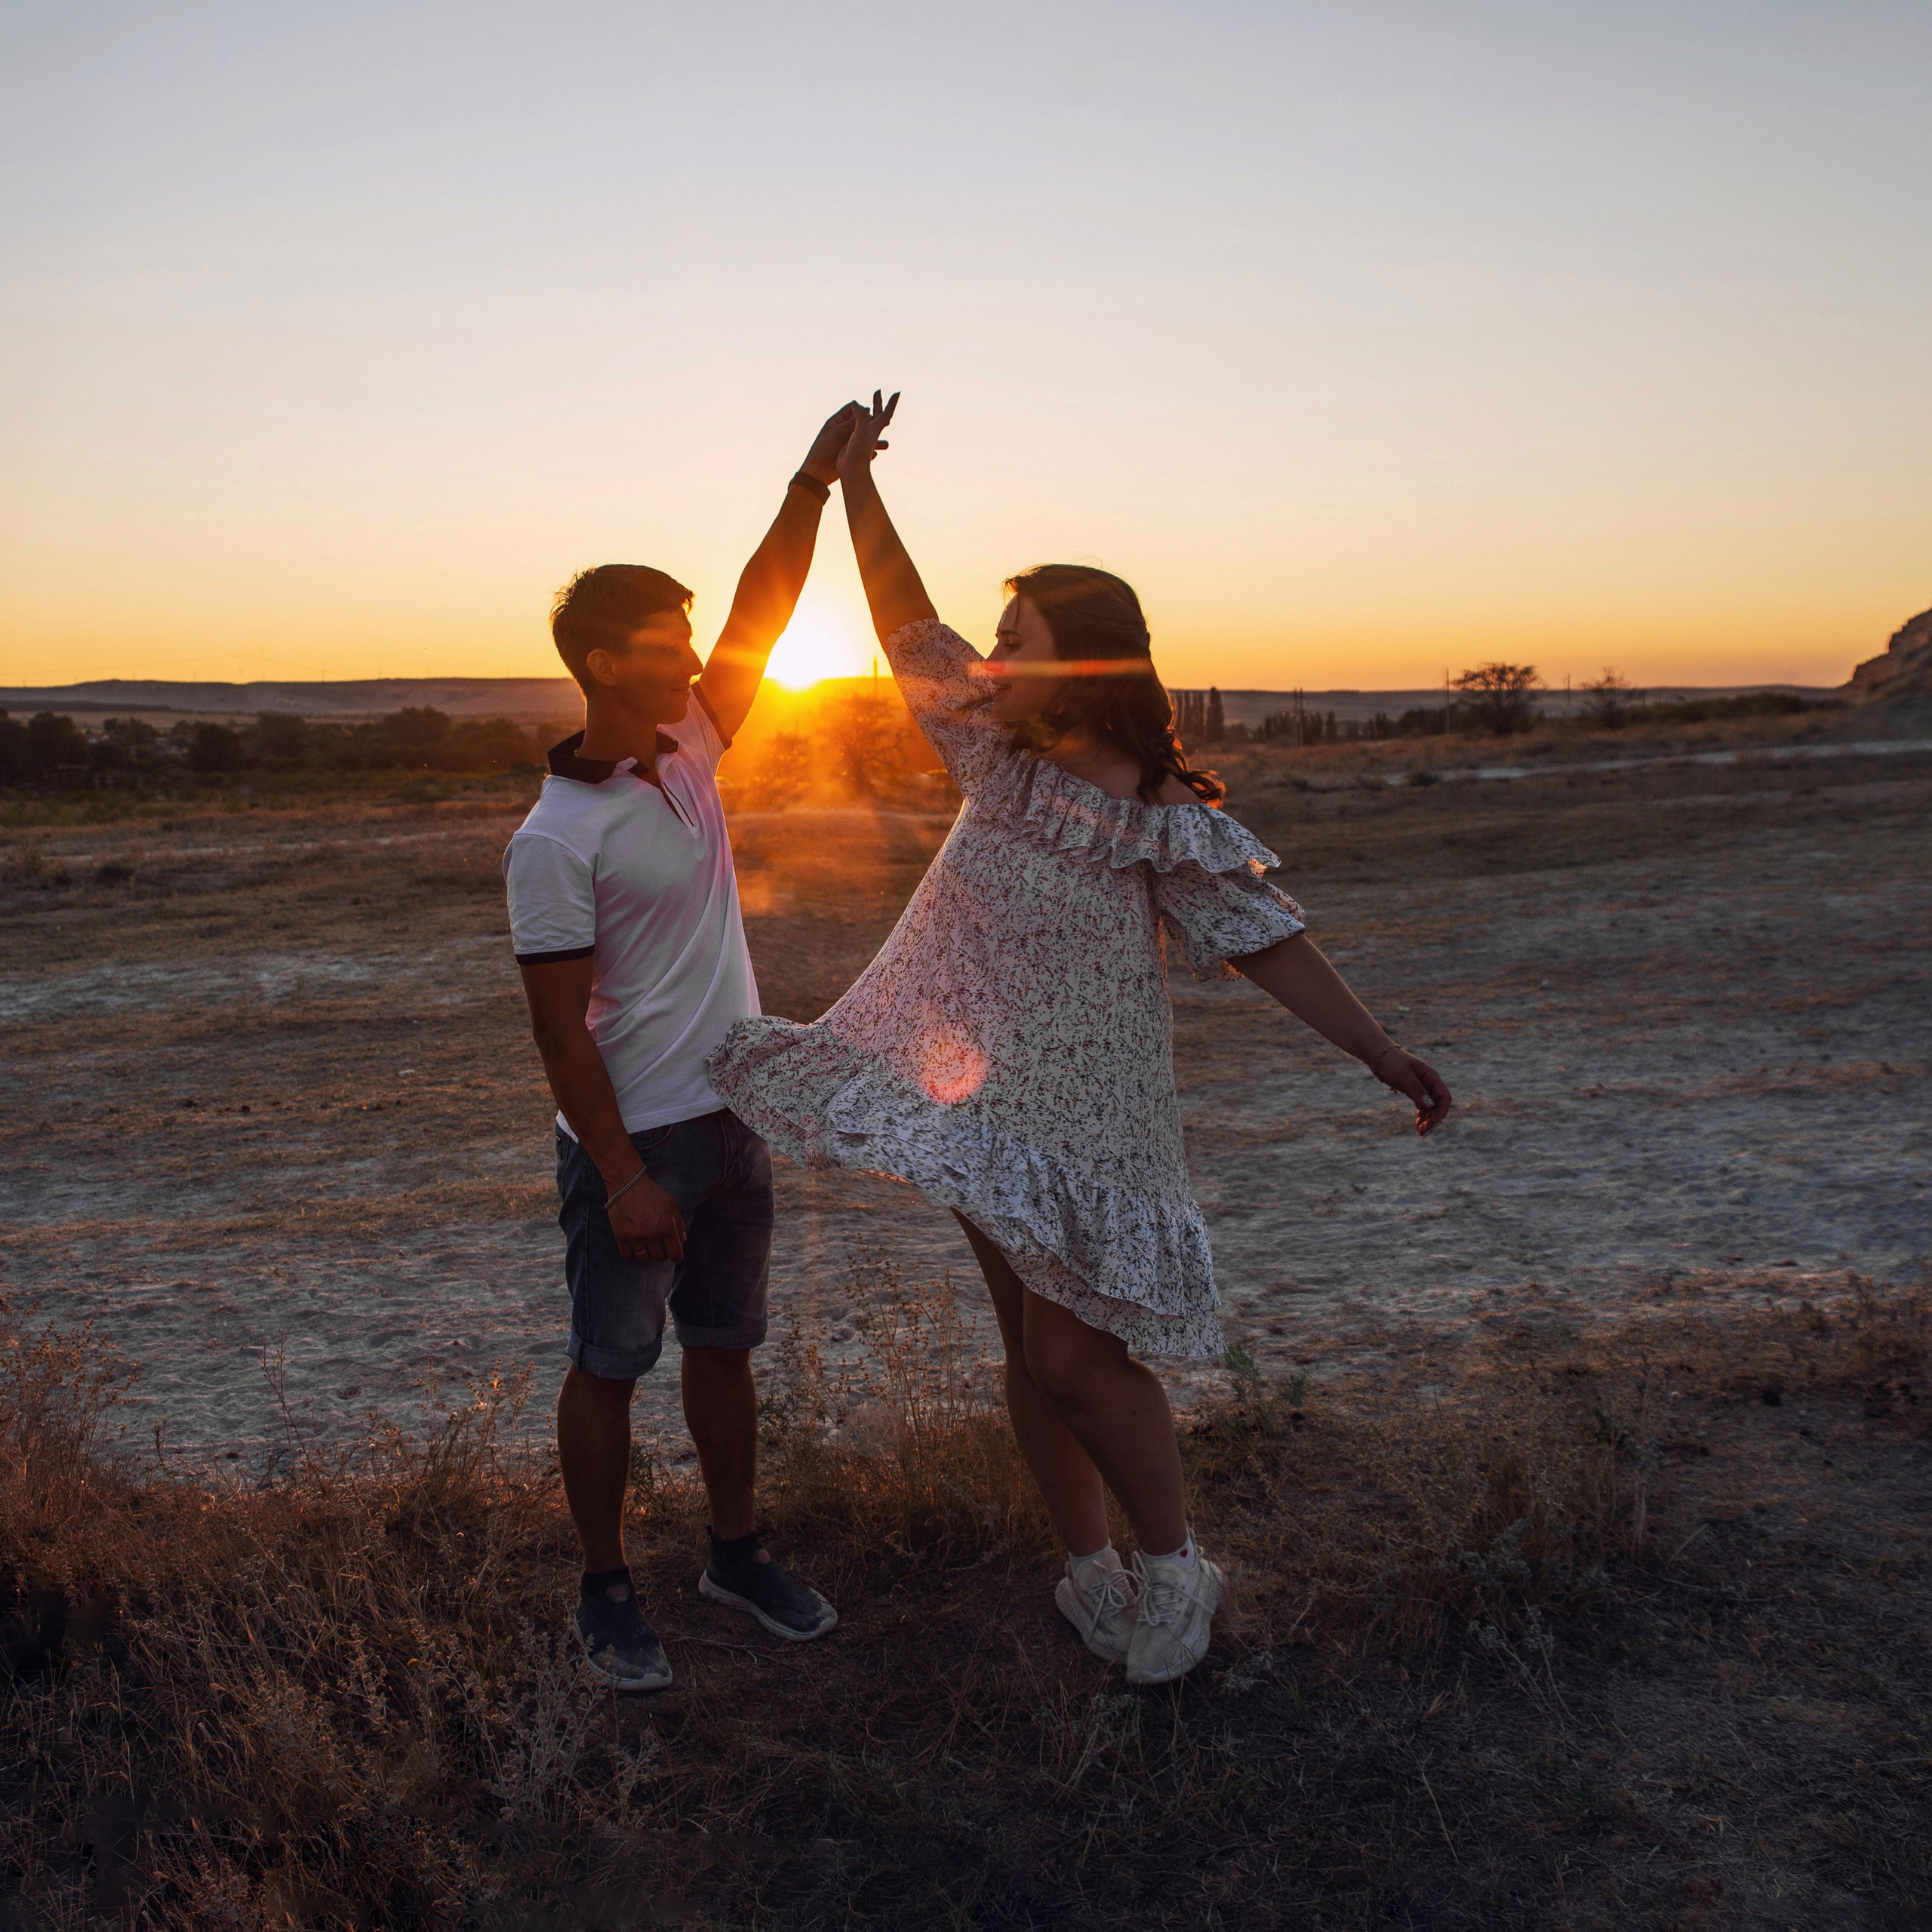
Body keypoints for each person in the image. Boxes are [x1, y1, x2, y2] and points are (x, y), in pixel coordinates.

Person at [710, 393, 1452, 1685]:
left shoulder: (1162, 813)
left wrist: (1380, 1052)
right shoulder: (997, 756)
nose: (990, 657)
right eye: (996, 639)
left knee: (1075, 1355)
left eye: (1018, 639)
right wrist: (854, 487)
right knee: (1031, 1358)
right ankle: (1088, 1576)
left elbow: (1265, 941)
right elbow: (902, 618)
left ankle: (1177, 1569)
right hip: (978, 1101)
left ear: (1090, 661)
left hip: (1090, 1114)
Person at [504, 405, 863, 1690]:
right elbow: (557, 1034)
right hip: (639, 1144)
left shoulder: (692, 746)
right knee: (609, 1363)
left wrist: (813, 482)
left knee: (726, 1349)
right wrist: (622, 1175)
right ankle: (605, 1591)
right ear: (605, 664)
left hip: (736, 1116)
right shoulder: (553, 840)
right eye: (667, 643)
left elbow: (765, 608)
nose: (694, 655)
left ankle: (734, 1552)